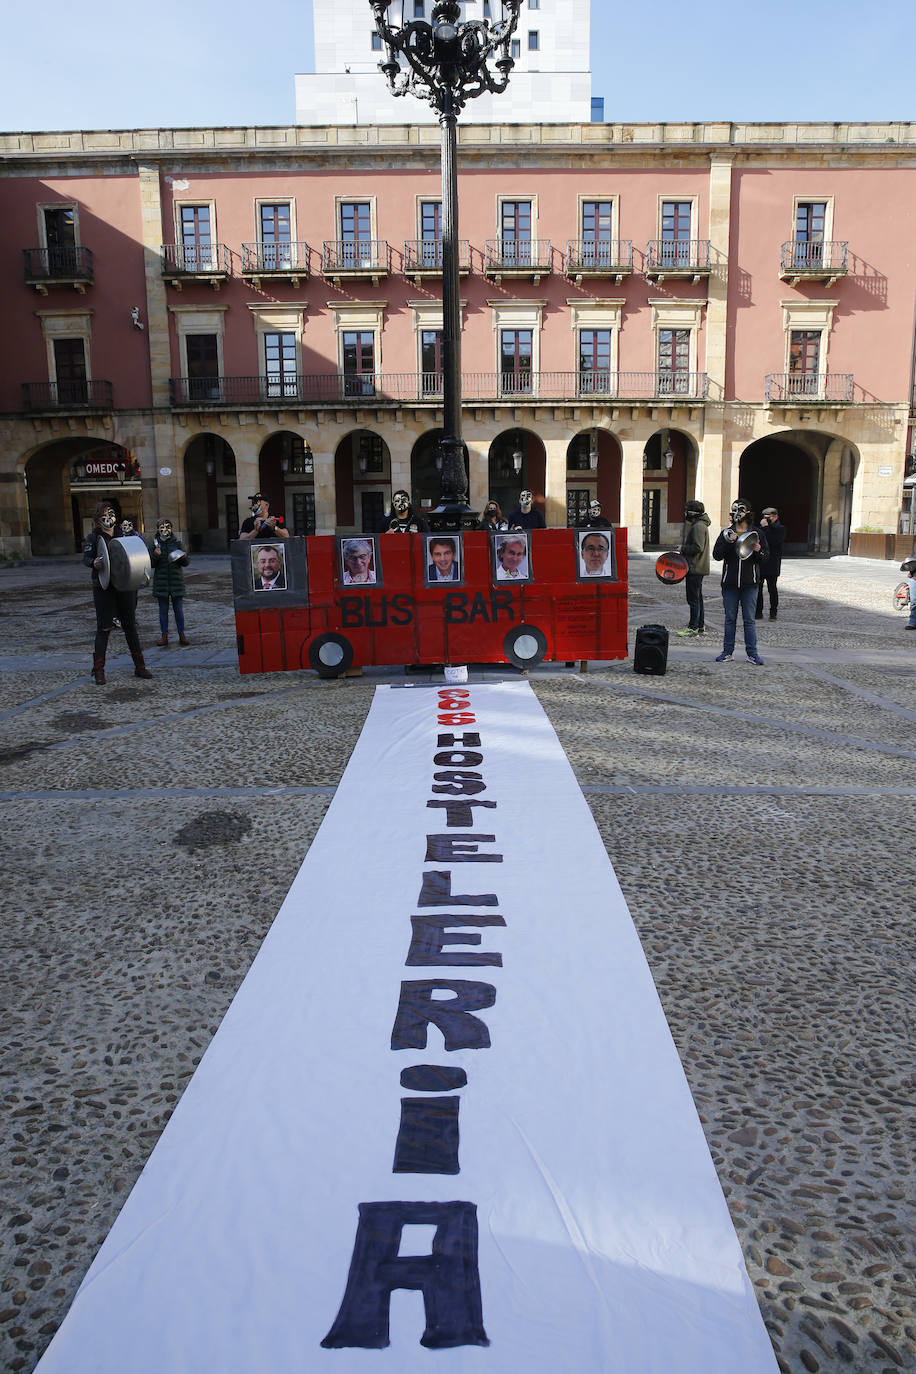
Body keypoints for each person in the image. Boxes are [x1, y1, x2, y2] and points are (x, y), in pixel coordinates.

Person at [82, 501, 153, 684]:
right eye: (104, 515)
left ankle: (140, 666)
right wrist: (94, 563)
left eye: (111, 514)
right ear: (98, 519)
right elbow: (87, 558)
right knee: (104, 628)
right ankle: (99, 670)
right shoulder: (93, 538)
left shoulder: (125, 535)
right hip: (104, 588)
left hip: (124, 585)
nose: (109, 518)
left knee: (130, 626)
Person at [713, 500, 768, 665]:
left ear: (748, 513)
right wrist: (729, 542)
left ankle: (752, 654)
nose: (737, 514)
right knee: (730, 619)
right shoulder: (726, 532)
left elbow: (766, 558)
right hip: (729, 584)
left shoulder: (757, 533)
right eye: (734, 510)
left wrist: (758, 551)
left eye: (741, 510)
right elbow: (717, 555)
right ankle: (727, 652)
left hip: (749, 584)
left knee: (749, 620)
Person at [150, 519, 190, 644]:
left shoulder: (177, 543)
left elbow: (186, 563)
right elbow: (150, 564)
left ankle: (182, 634)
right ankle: (164, 636)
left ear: (171, 528)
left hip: (176, 580)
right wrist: (156, 555)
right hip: (161, 582)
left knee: (178, 610)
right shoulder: (154, 544)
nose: (165, 529)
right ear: (158, 529)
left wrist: (183, 557)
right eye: (162, 527)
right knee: (163, 611)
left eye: (168, 527)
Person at [676, 499, 711, 638]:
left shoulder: (698, 527)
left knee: (693, 599)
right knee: (698, 598)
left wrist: (682, 548)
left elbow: (698, 547)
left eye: (686, 510)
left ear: (692, 513)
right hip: (698, 567)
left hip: (695, 567)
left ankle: (693, 627)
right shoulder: (701, 525)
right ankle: (700, 625)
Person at [755, 506, 786, 620]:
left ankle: (773, 612)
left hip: (773, 563)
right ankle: (758, 612)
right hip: (762, 562)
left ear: (776, 517)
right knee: (758, 589)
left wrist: (767, 528)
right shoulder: (760, 528)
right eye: (765, 517)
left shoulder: (780, 529)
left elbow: (773, 541)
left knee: (772, 589)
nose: (766, 519)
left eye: (769, 517)